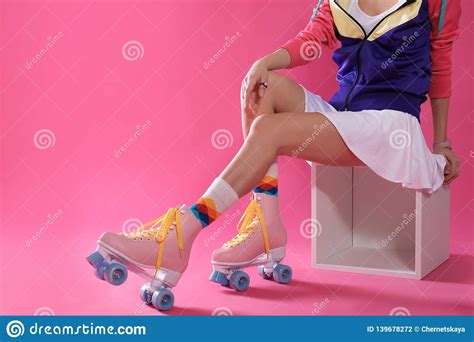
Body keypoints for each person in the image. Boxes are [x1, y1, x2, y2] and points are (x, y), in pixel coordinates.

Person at [88, 0, 461, 310]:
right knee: (259, 86)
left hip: (391, 126)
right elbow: (314, 38)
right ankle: (265, 228)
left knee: (267, 129)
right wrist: (265, 61)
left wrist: (441, 142)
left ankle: (183, 234)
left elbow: (440, 63)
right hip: (343, 116)